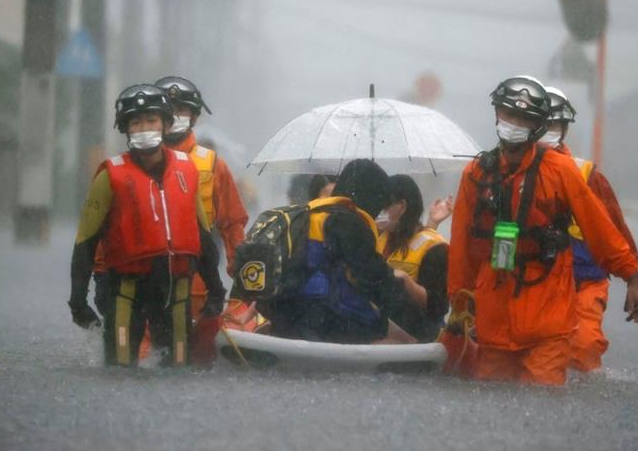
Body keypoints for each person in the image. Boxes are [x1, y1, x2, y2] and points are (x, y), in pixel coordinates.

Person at [447, 76, 638, 386]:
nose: (513, 123)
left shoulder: (561, 170)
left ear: (536, 125)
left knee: (543, 398)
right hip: (494, 311)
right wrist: (460, 304)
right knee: (490, 399)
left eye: (523, 118)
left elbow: (600, 229)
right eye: (508, 114)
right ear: (497, 114)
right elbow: (462, 245)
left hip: (547, 308)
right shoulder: (475, 174)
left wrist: (632, 276)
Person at [67, 84, 226, 367]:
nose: (144, 128)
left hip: (176, 293)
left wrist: (215, 289)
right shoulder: (110, 175)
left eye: (151, 120)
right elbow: (85, 242)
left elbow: (202, 235)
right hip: (127, 292)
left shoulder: (188, 170)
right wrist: (78, 300)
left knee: (178, 370)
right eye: (136, 122)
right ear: (125, 129)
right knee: (121, 369)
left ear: (165, 124)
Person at [542, 86, 638, 373]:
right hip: (536, 284)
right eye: (541, 124)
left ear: (563, 130)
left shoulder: (586, 174)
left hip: (585, 282)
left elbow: (615, 230)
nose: (546, 130)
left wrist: (634, 279)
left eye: (553, 124)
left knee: (583, 347)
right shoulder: (509, 172)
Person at [270, 159, 413, 344]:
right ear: (371, 194)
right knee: (397, 338)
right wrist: (413, 318)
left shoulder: (308, 213)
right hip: (326, 319)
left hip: (284, 316)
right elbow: (376, 279)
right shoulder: (350, 221)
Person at [154, 76, 249, 317]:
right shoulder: (133, 165)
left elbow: (232, 225)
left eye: (181, 110)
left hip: (199, 285)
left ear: (194, 117)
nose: (173, 115)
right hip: (144, 282)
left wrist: (240, 283)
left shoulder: (212, 164)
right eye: (167, 109)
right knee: (140, 353)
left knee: (198, 353)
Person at [375, 174, 450, 342]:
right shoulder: (378, 236)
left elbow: (438, 307)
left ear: (402, 206)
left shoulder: (434, 248)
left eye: (385, 205)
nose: (380, 212)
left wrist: (406, 282)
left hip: (420, 332)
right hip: (382, 326)